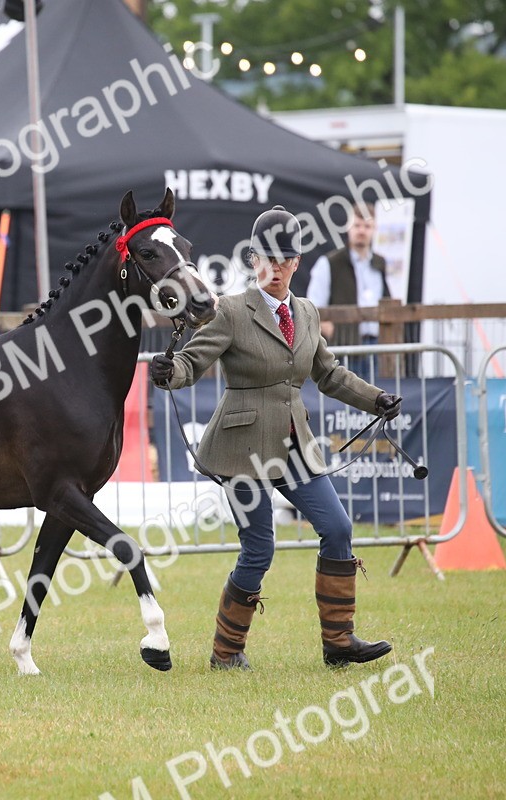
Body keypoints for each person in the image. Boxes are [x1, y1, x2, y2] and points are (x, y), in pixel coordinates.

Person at [149, 204, 401, 671]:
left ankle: (339, 642)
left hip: (294, 446)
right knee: (260, 547)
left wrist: (376, 398)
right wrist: (171, 371)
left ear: (297, 263)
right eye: (268, 258)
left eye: (287, 259)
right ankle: (226, 653)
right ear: (252, 260)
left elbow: (329, 374)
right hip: (240, 450)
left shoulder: (306, 312)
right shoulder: (230, 311)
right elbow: (193, 360)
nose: (278, 268)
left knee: (338, 528)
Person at [306, 203, 390, 379]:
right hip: (345, 346)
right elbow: (312, 305)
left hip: (376, 345)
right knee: (344, 400)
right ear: (348, 227)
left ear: (374, 229)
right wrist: (327, 328)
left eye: (367, 226)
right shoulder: (329, 262)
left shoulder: (380, 263)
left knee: (375, 399)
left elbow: (387, 300)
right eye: (357, 225)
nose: (361, 231)